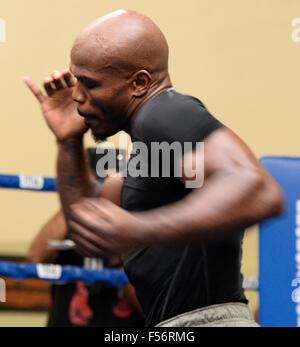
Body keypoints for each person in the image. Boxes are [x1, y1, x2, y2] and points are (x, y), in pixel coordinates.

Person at [24, 9, 283, 327]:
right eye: (77, 80)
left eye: (90, 84)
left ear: (139, 83)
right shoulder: (149, 150)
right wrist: (68, 143)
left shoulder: (166, 112)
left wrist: (141, 229)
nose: (77, 95)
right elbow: (86, 223)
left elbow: (259, 190)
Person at [28, 149, 145, 327]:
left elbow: (149, 309)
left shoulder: (139, 230)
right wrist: (79, 198)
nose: (104, 190)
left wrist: (118, 259)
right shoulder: (71, 224)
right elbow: (36, 257)